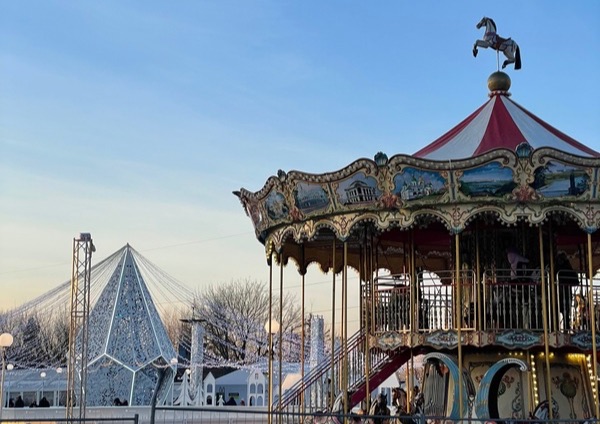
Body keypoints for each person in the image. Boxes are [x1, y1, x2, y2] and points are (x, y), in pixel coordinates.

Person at [556, 253, 578, 330]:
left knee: (563, 307)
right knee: (565, 308)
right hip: (565, 290)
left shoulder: (559, 267)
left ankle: (563, 324)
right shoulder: (567, 266)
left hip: (562, 290)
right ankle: (565, 324)